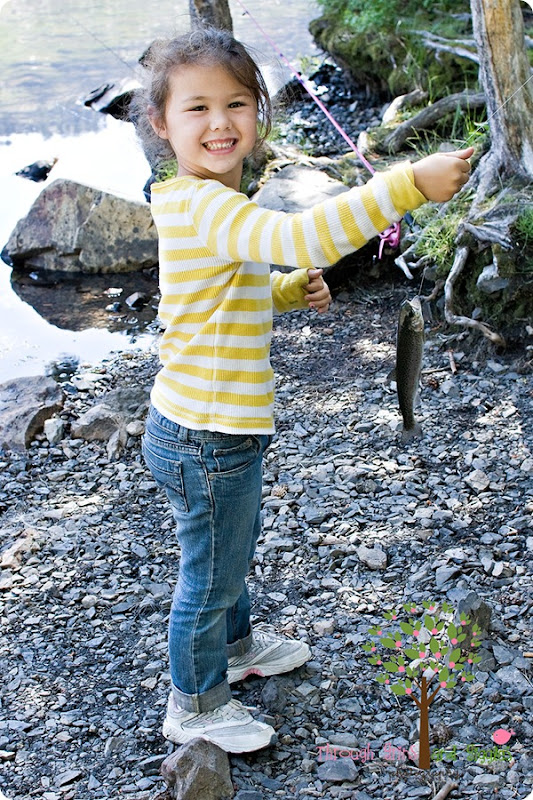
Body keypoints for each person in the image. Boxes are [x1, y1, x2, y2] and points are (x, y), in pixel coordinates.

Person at [136, 26, 473, 754]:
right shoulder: (201, 205)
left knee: (230, 546)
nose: (219, 123)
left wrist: (282, 294)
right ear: (161, 125)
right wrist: (405, 185)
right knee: (210, 569)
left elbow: (212, 301)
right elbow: (302, 237)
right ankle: (193, 704)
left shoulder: (209, 204)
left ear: (259, 112)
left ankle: (234, 647)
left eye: (235, 103)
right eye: (196, 109)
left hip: (204, 427)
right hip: (206, 434)